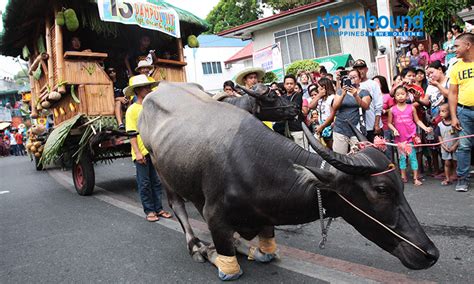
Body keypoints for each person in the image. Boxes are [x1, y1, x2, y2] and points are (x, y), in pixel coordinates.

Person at [124, 75, 172, 221]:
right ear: (138, 90)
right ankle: (149, 211)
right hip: (142, 152)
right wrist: (137, 153)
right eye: (146, 87)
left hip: (154, 151)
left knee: (157, 182)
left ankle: (159, 208)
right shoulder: (132, 110)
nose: (149, 89)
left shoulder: (152, 107)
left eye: (149, 87)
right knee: (144, 183)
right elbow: (131, 133)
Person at [388, 85, 433, 186]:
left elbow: (417, 120)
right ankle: (403, 177)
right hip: (399, 138)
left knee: (413, 157)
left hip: (410, 137)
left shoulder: (411, 108)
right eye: (398, 94)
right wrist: (394, 130)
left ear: (407, 96)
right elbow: (389, 123)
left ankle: (415, 178)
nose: (400, 96)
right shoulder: (392, 110)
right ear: (394, 96)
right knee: (402, 158)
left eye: (403, 94)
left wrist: (425, 128)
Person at [448, 32, 474, 192]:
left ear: (468, 45)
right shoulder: (456, 67)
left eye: (457, 46)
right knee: (463, 146)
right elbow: (452, 93)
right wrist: (453, 116)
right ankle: (462, 179)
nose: (454, 49)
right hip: (464, 112)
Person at [325, 69, 372, 154]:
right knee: (340, 157)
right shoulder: (340, 91)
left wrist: (355, 95)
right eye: (350, 77)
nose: (352, 79)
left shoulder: (364, 92)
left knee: (359, 156)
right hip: (340, 129)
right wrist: (343, 94)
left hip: (357, 130)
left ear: (360, 79)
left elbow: (366, 106)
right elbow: (335, 107)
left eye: (354, 77)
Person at [352, 59, 383, 142]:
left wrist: (376, 124)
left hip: (372, 126)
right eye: (356, 69)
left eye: (361, 68)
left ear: (366, 69)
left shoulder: (373, 84)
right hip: (358, 128)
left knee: (378, 152)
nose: (359, 71)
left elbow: (378, 106)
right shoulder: (351, 86)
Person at [273, 75, 307, 148]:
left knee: (303, 153)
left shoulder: (297, 95)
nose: (289, 86)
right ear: (284, 85)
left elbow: (293, 109)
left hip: (297, 129)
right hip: (286, 130)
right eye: (287, 84)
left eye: (291, 84)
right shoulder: (282, 97)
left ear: (295, 84)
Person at [435, 104, 459, 186]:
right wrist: (444, 146)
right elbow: (439, 137)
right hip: (445, 147)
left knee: (455, 162)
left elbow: (460, 136)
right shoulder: (439, 125)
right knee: (447, 163)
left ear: (450, 112)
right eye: (440, 111)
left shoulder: (455, 123)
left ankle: (455, 175)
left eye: (443, 111)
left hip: (455, 147)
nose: (441, 113)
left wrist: (455, 146)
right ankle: (447, 178)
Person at [309, 78, 335, 148]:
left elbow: (332, 115)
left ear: (324, 87)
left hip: (330, 128)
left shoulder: (332, 98)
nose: (317, 89)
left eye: (318, 87)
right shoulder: (320, 99)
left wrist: (322, 126)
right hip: (322, 128)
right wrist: (318, 95)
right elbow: (310, 106)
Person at [374, 75, 395, 161]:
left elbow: (394, 108)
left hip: (386, 125)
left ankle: (391, 167)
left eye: (377, 82)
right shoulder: (371, 96)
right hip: (375, 126)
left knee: (387, 148)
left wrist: (385, 111)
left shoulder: (387, 96)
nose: (374, 84)